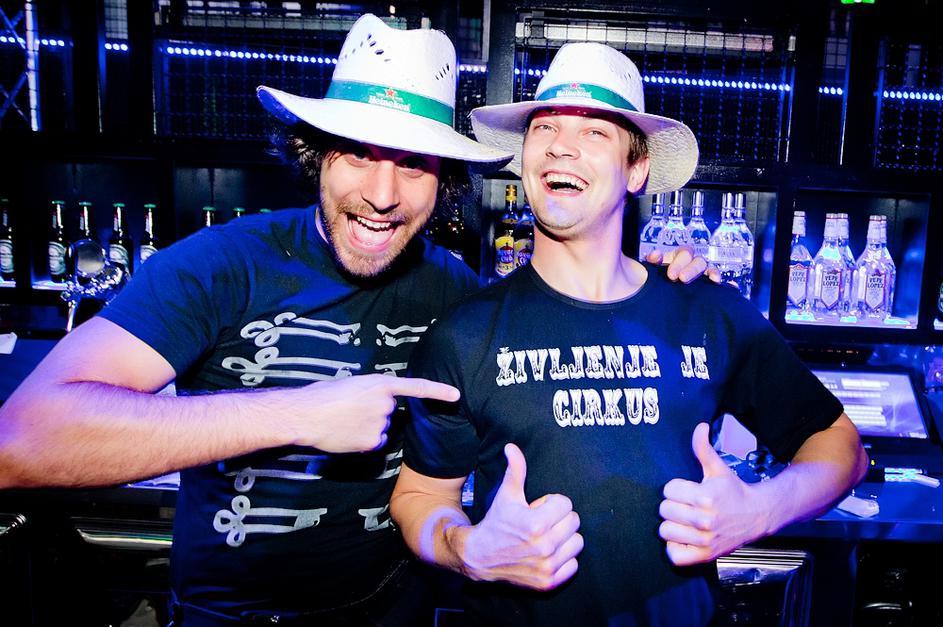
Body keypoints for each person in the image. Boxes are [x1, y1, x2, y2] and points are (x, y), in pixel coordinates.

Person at [0, 17, 708, 627]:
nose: (381, 194)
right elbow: (21, 443)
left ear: (443, 181)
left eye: (413, 165)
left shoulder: (455, 291)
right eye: (358, 153)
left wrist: (651, 281)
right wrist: (297, 412)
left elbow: (564, 333)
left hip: (395, 611)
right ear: (315, 152)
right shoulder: (220, 265)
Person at [390, 42, 868, 626]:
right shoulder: (464, 334)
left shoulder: (708, 311)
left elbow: (842, 448)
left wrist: (760, 510)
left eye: (595, 132)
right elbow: (420, 498)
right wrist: (466, 550)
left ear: (636, 170)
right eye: (545, 128)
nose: (561, 145)